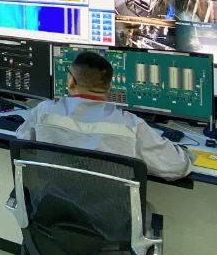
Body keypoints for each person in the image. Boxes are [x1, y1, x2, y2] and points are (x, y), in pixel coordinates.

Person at [14, 51, 192, 180]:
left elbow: (22, 141)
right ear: (109, 87)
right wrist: (185, 153)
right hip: (110, 217)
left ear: (70, 82)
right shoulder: (131, 125)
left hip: (53, 209)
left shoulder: (44, 111)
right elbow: (176, 167)